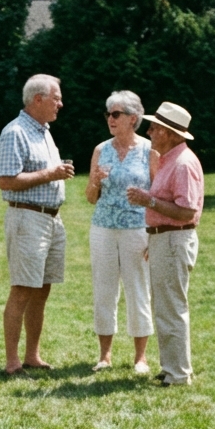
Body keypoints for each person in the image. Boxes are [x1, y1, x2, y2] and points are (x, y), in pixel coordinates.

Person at [0, 75, 74, 374]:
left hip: (51, 219)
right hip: (27, 219)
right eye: (56, 98)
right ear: (38, 99)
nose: (61, 104)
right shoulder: (15, 132)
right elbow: (6, 180)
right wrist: (51, 174)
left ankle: (32, 355)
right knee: (22, 289)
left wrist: (54, 174)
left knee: (42, 290)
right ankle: (12, 361)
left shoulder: (43, 132)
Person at [126, 102, 204, 387]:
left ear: (170, 134)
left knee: (171, 307)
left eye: (155, 128)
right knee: (165, 305)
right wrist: (155, 237)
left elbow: (187, 211)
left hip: (173, 238)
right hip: (165, 238)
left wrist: (148, 201)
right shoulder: (170, 159)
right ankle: (172, 366)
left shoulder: (182, 163)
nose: (149, 132)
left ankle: (178, 374)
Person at [85, 91, 158, 374]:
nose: (110, 119)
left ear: (133, 118)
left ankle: (141, 357)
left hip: (137, 229)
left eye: (116, 114)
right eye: (108, 114)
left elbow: (158, 195)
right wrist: (94, 181)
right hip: (103, 228)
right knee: (104, 290)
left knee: (138, 289)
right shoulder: (100, 150)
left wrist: (153, 234)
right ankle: (105, 356)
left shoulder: (150, 151)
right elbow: (90, 198)